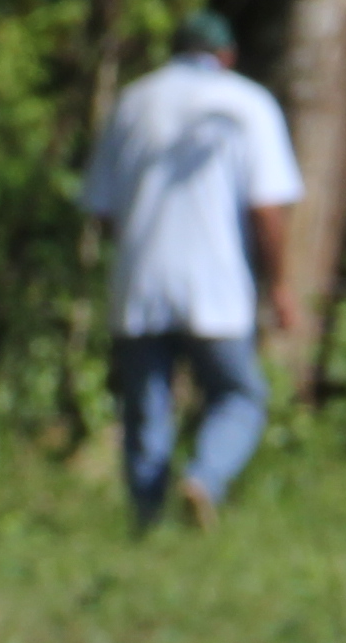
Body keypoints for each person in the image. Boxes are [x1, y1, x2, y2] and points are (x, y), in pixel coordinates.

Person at [78, 11, 305, 529]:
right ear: (227, 55)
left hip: (139, 280)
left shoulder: (133, 102)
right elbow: (268, 210)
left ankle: (145, 520)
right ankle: (204, 477)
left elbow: (102, 210)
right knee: (240, 396)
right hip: (218, 284)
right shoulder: (248, 104)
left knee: (147, 407)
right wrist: (279, 285)